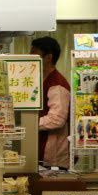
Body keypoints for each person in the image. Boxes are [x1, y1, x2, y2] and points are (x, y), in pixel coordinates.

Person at [30, 37, 70, 168]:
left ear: (48, 58)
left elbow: (57, 119)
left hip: (54, 159)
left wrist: (30, 124)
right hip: (43, 153)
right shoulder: (42, 79)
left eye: (34, 55)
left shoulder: (57, 84)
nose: (30, 59)